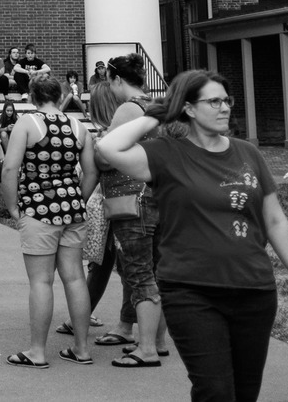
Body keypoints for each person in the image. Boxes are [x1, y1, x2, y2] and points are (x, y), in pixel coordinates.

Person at [96, 70, 288, 402]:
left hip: (254, 291)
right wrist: (157, 111)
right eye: (214, 101)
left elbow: (275, 221)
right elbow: (109, 147)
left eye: (227, 100)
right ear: (189, 109)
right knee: (214, 391)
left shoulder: (248, 154)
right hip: (191, 292)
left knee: (244, 393)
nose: (224, 107)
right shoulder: (166, 154)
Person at [2, 73, 97, 370]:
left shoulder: (28, 123)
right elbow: (92, 172)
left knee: (41, 281)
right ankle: (82, 349)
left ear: (33, 96)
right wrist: (75, 198)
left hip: (39, 210)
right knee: (75, 278)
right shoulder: (79, 127)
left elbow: (9, 169)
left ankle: (37, 352)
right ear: (59, 96)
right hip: (73, 210)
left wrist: (13, 208)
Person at [91, 55, 168, 368]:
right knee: (155, 271)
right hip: (157, 196)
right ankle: (158, 341)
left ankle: (147, 348)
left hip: (131, 200)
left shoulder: (128, 108)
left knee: (138, 274)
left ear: (115, 79)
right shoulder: (155, 105)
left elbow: (107, 156)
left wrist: (98, 143)